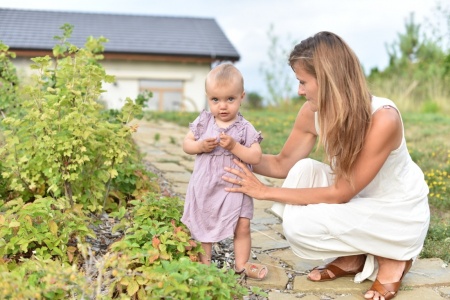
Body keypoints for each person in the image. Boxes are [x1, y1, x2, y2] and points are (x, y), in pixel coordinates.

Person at [222, 31, 429, 299]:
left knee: (299, 228)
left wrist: (264, 191)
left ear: (329, 78)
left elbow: (341, 192)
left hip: (396, 212)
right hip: (357, 202)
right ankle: (355, 254)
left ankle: (394, 257)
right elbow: (283, 163)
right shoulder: (313, 112)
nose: (299, 91)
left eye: (303, 82)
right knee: (302, 170)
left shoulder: (383, 118)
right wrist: (233, 150)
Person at [181, 63, 268, 280]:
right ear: (207, 98)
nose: (223, 106)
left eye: (230, 99)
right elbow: (186, 144)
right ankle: (205, 264)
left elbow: (255, 156)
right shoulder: (204, 122)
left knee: (243, 224)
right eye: (215, 100)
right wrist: (200, 146)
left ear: (241, 97)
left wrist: (234, 147)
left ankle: (242, 264)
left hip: (235, 185)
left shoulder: (244, 127)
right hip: (207, 184)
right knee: (204, 221)